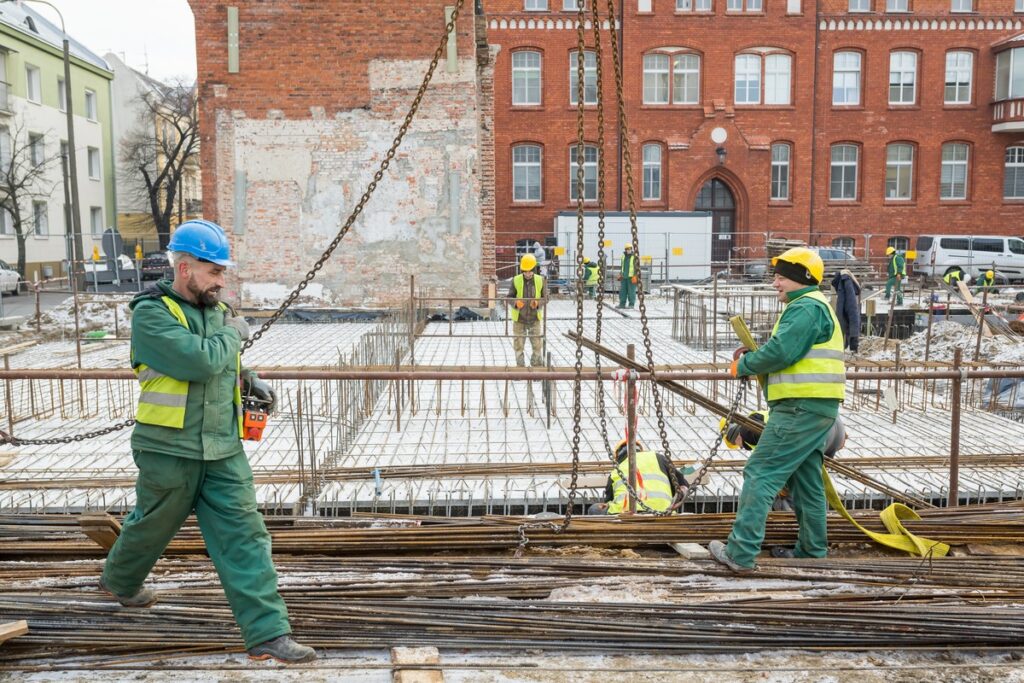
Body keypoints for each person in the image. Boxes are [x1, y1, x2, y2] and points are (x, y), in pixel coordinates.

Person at [99, 220, 316, 663]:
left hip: (222, 448)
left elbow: (222, 363)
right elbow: (198, 362)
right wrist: (232, 336)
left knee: (246, 537)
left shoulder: (214, 312)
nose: (221, 281)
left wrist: (248, 378)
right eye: (214, 272)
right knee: (151, 527)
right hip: (168, 449)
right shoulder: (151, 313)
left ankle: (267, 634)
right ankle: (119, 582)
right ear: (184, 268)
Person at [709, 247, 845, 574]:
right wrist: (758, 353)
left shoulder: (805, 309)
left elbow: (783, 351)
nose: (775, 283)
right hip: (816, 408)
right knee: (806, 481)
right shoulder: (811, 309)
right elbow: (790, 351)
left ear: (801, 279)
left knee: (760, 473)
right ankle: (811, 553)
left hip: (799, 408)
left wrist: (744, 364)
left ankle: (740, 554)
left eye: (781, 277)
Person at [587, 439, 688, 515]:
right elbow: (682, 485)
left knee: (594, 509)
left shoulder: (616, 471)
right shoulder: (658, 458)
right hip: (663, 513)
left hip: (624, 515)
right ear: (640, 449)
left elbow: (608, 500)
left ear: (617, 455)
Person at [508, 253, 545, 367]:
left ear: (534, 269)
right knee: (518, 344)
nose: (527, 274)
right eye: (525, 271)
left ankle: (536, 366)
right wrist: (515, 303)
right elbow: (509, 297)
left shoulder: (540, 280)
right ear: (522, 270)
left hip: (535, 318)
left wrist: (538, 303)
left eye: (530, 271)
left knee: (537, 344)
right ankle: (520, 367)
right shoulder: (516, 280)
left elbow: (546, 297)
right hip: (520, 318)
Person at [830, 268, 861, 353]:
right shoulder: (845, 281)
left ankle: (850, 346)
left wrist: (853, 340)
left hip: (847, 317)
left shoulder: (845, 282)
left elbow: (852, 310)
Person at [618, 244, 638, 309]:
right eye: (627, 249)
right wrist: (620, 274)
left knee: (631, 292)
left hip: (631, 277)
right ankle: (622, 304)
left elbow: (637, 268)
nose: (629, 250)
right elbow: (622, 267)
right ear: (625, 250)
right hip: (624, 277)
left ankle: (631, 304)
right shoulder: (623, 257)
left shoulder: (634, 257)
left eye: (630, 249)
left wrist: (635, 276)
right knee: (622, 291)